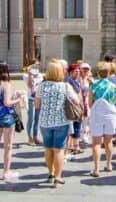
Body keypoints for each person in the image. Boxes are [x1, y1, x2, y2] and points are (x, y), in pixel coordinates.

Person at [35, 60, 70, 188]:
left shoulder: (41, 86)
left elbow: (37, 105)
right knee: (59, 150)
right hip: (61, 121)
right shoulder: (65, 86)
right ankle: (58, 177)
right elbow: (76, 101)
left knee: (48, 148)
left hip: (45, 122)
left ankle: (50, 174)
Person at [88, 61, 116, 177]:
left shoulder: (94, 86)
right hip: (110, 115)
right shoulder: (113, 86)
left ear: (98, 73)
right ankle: (109, 164)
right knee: (108, 141)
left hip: (97, 114)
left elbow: (90, 103)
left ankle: (96, 168)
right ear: (109, 73)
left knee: (96, 142)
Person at [65, 63, 84, 155]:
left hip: (77, 107)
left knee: (76, 127)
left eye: (79, 71)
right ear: (71, 72)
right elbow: (76, 95)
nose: (78, 73)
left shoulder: (75, 80)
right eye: (76, 71)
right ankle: (72, 147)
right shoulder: (69, 81)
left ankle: (74, 146)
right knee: (74, 127)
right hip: (72, 108)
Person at [104, 55, 116, 145]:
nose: (114, 62)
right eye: (113, 61)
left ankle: (110, 139)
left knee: (108, 119)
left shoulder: (107, 74)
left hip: (110, 99)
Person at [23, 60, 43, 145]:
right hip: (30, 99)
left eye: (38, 65)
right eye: (35, 65)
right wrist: (30, 74)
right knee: (31, 118)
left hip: (38, 99)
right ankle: (29, 138)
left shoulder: (40, 75)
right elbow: (29, 85)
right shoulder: (25, 75)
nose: (37, 66)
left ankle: (35, 137)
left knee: (37, 119)